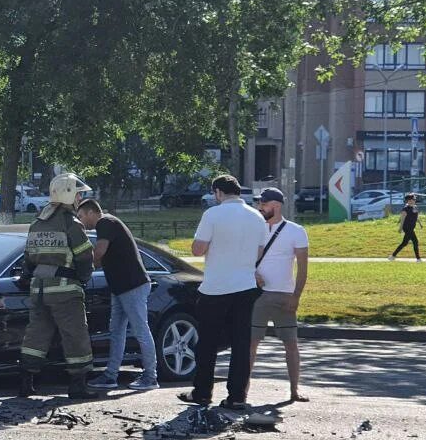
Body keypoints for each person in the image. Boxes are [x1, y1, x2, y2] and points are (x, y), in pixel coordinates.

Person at [179, 174, 269, 411]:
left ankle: (202, 393)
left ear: (218, 192)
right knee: (241, 343)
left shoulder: (213, 214)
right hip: (246, 286)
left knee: (207, 343)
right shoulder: (256, 216)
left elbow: (198, 250)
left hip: (216, 287)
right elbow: (259, 252)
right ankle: (237, 395)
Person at [16, 172, 97, 400]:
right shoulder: (71, 223)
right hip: (65, 291)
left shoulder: (37, 223)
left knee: (36, 336)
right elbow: (84, 257)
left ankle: (26, 383)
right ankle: (78, 386)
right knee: (75, 336)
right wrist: (82, 278)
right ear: (69, 195)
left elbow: (28, 258)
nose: (80, 198)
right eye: (79, 194)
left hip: (39, 290)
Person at [75, 199, 160, 391]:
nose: (80, 221)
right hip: (120, 287)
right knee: (116, 331)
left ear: (90, 213)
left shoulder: (105, 222)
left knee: (140, 330)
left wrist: (81, 268)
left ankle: (150, 377)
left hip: (132, 285)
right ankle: (111, 375)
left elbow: (99, 253)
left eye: (80, 217)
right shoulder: (108, 224)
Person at [249, 187, 310, 403]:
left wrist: (296, 296)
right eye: (260, 203)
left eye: (263, 204)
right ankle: (242, 391)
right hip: (257, 295)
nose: (259, 207)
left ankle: (294, 390)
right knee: (251, 343)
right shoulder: (254, 229)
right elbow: (243, 258)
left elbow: (303, 268)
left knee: (290, 343)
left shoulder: (296, 231)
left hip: (284, 296)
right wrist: (252, 273)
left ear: (275, 205)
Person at [390, 193, 423, 262]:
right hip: (407, 227)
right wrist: (400, 228)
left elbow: (416, 216)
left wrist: (420, 223)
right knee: (415, 242)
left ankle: (392, 256)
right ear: (407, 201)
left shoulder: (415, 207)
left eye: (413, 199)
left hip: (411, 228)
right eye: (409, 200)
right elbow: (402, 219)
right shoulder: (405, 209)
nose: (411, 201)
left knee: (404, 243)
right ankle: (418, 259)